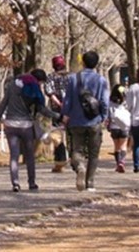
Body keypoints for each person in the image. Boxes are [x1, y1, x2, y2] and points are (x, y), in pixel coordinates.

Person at [0, 68, 58, 192]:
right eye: (41, 83)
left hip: (10, 125)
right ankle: (32, 183)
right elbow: (42, 109)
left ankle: (15, 183)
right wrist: (57, 116)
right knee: (29, 156)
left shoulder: (12, 85)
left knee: (14, 156)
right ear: (39, 80)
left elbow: (3, 103)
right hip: (26, 126)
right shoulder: (33, 89)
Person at [61, 51, 109, 192]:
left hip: (76, 120)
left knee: (76, 150)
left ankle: (80, 167)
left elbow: (67, 99)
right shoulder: (101, 80)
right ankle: (90, 183)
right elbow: (104, 101)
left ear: (83, 62)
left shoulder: (73, 79)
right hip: (94, 120)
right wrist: (103, 116)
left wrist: (65, 114)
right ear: (96, 63)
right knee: (94, 153)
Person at [44, 55, 70, 173]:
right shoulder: (71, 76)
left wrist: (58, 103)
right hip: (71, 108)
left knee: (57, 135)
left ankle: (60, 161)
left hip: (56, 110)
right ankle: (74, 157)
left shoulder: (50, 77)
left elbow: (49, 91)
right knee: (72, 133)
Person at [107, 84, 131, 173]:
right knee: (123, 146)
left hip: (114, 126)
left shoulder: (110, 102)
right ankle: (122, 162)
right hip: (124, 126)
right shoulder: (125, 102)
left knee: (116, 147)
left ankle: (118, 164)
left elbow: (108, 115)